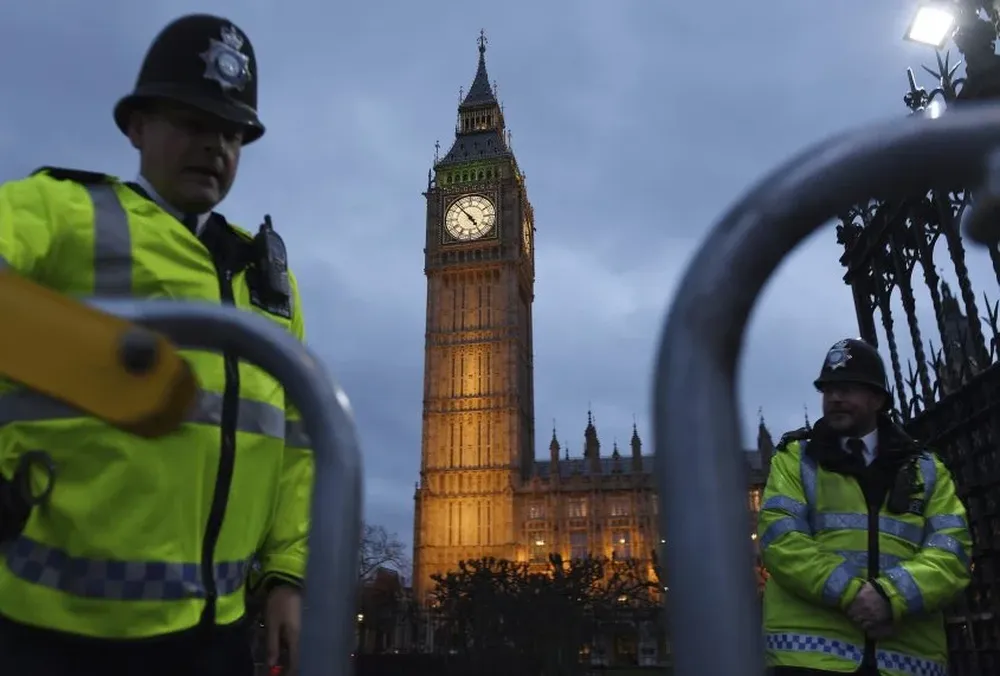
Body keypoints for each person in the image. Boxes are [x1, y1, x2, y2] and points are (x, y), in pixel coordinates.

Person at [0, 14, 312, 676]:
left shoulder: (271, 280)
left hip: (218, 635)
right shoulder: (64, 213)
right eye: (194, 123)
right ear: (137, 126)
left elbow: (296, 444)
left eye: (231, 132)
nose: (216, 146)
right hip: (56, 633)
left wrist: (287, 576)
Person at [758, 338, 972, 676]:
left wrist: (889, 597)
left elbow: (952, 552)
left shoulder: (926, 468)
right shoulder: (795, 460)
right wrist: (852, 593)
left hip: (906, 659)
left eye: (847, 389)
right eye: (827, 390)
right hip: (811, 657)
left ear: (877, 399)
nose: (835, 398)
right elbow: (782, 540)